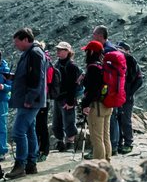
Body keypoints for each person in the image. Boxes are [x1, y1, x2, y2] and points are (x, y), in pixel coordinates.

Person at [88, 24, 139, 155]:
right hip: (116, 91)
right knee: (111, 121)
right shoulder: (114, 51)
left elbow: (103, 76)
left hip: (109, 93)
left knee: (108, 125)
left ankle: (109, 149)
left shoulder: (107, 51)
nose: (92, 37)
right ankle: (113, 148)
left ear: (100, 36)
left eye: (94, 35)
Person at [7, 28, 46, 178]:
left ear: (25, 40)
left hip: (29, 100)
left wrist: (30, 98)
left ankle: (20, 165)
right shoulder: (30, 53)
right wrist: (14, 77)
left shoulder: (34, 53)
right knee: (29, 130)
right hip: (28, 99)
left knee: (18, 132)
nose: (15, 45)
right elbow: (30, 76)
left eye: (17, 42)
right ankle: (31, 163)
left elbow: (37, 78)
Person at [79, 41, 111, 161]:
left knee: (97, 138)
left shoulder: (93, 67)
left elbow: (92, 90)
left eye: (87, 51)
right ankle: (107, 161)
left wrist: (86, 104)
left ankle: (99, 166)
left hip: (96, 106)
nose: (86, 53)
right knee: (105, 135)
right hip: (107, 104)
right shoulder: (103, 65)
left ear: (91, 51)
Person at [50, 42, 82, 153]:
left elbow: (73, 85)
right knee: (56, 122)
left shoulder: (72, 66)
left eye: (61, 49)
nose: (58, 51)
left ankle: (70, 143)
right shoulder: (57, 65)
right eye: (58, 49)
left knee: (69, 120)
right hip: (58, 97)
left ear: (68, 51)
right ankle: (60, 141)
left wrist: (70, 101)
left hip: (67, 98)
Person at [34, 41, 53, 158]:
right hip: (43, 97)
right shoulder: (46, 61)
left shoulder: (44, 62)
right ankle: (40, 149)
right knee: (39, 124)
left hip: (42, 97)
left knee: (40, 124)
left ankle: (43, 149)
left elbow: (48, 80)